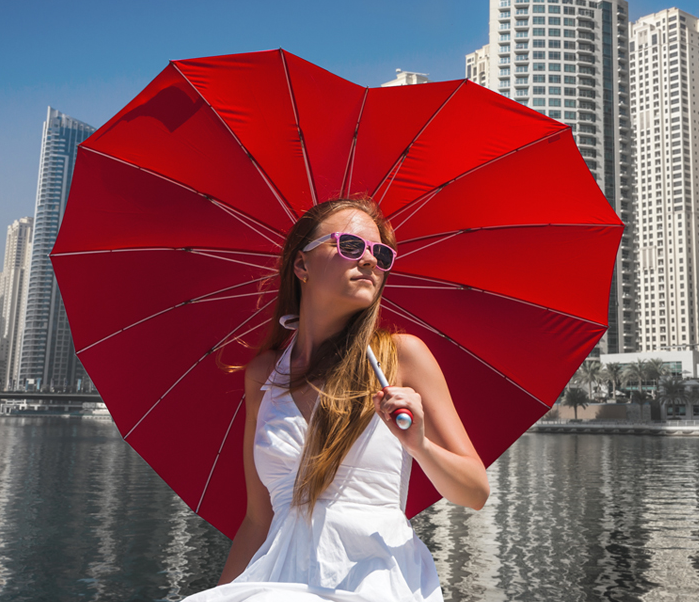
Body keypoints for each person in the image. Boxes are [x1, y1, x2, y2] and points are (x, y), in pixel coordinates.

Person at [184, 197, 489, 601]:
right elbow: (258, 521)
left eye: (380, 254)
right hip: (275, 579)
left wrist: (419, 444)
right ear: (302, 265)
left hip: (375, 581)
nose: (368, 261)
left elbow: (475, 492)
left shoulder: (403, 357)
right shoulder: (264, 375)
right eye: (350, 246)